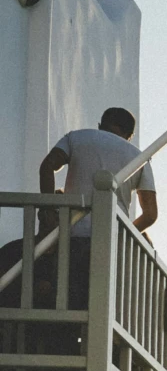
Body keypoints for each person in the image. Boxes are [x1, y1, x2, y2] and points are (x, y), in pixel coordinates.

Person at [39, 109, 157, 260]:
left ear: (100, 125)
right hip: (111, 241)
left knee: (69, 279)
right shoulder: (140, 158)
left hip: (72, 234)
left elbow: (47, 166)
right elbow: (150, 215)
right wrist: (123, 235)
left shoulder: (76, 137)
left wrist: (48, 211)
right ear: (130, 135)